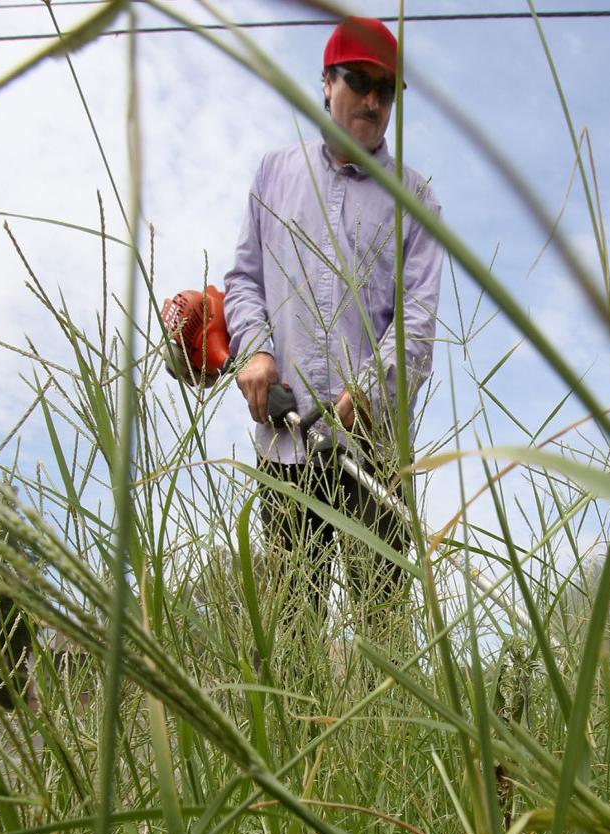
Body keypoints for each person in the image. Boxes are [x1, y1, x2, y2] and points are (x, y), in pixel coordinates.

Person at [222, 16, 444, 624]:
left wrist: (364, 396)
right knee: (291, 633)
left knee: (386, 632)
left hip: (372, 455)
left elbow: (417, 325)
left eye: (386, 89)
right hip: (286, 447)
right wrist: (257, 352)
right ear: (326, 81)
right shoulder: (273, 174)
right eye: (358, 80)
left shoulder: (416, 201)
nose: (372, 100)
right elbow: (243, 281)